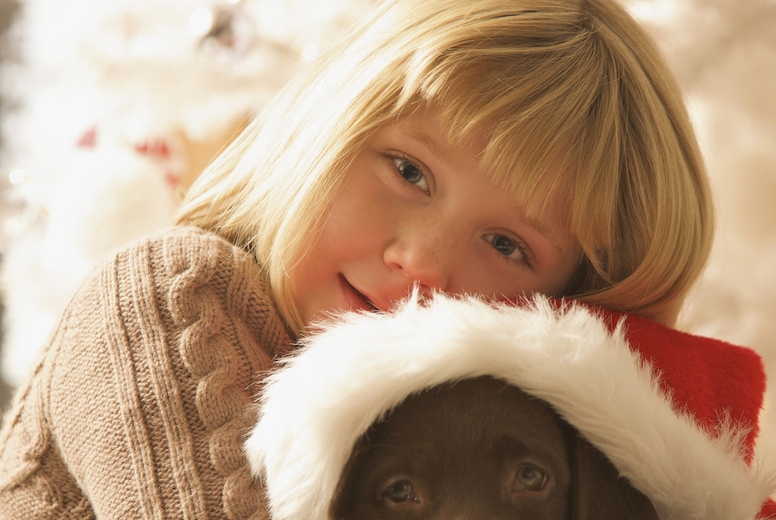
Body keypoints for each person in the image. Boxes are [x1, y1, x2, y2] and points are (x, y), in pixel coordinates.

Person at [0, 0, 763, 517]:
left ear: (568, 313)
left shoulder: (457, 422)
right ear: (324, 132)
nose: (422, 262)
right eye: (408, 171)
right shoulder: (163, 298)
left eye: (507, 246)